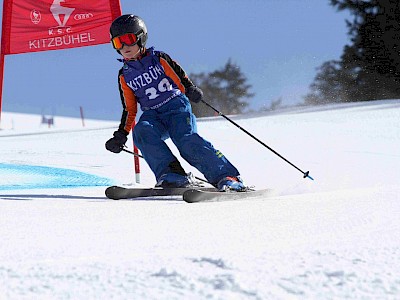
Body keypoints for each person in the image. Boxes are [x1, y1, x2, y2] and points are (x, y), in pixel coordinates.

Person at [105, 14, 246, 191]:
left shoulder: (159, 59)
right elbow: (129, 108)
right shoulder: (124, 75)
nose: (124, 46)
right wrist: (121, 134)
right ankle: (172, 175)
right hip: (153, 115)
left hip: (175, 107)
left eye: (128, 39)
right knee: (141, 131)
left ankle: (227, 175)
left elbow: (180, 77)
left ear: (141, 38)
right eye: (118, 43)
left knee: (185, 140)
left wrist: (190, 88)